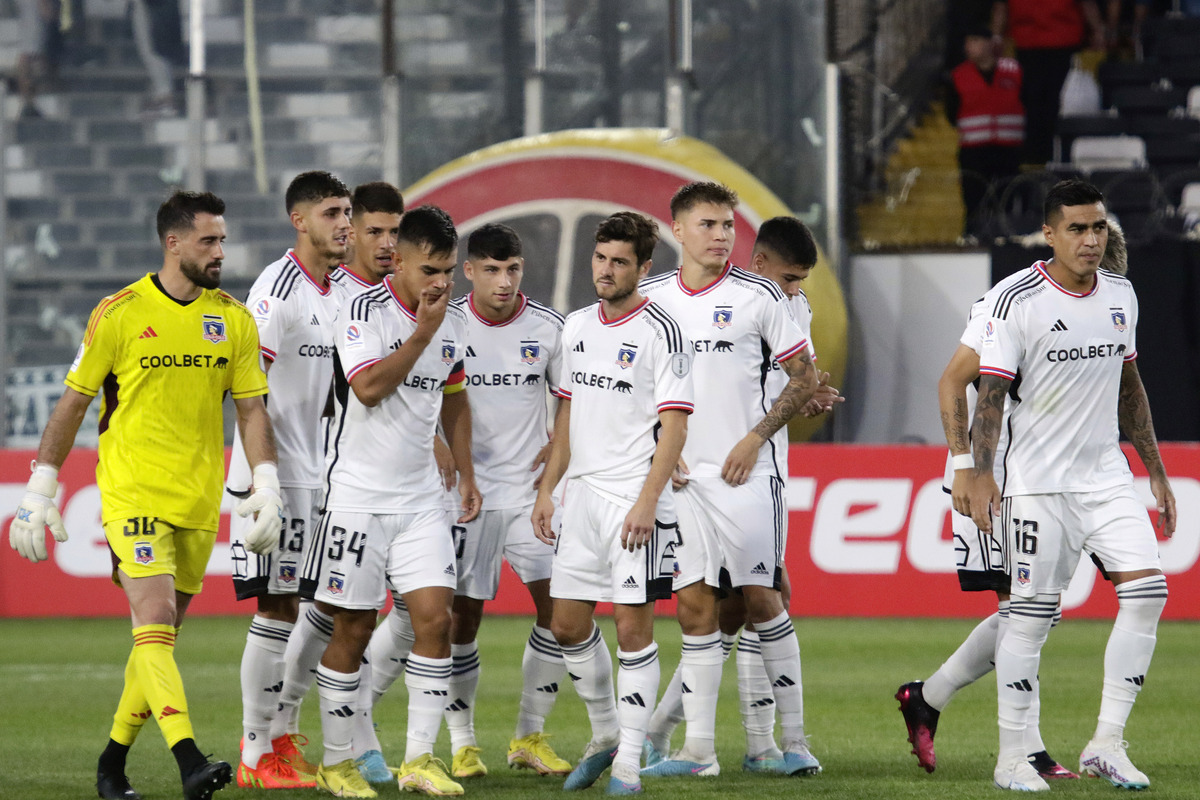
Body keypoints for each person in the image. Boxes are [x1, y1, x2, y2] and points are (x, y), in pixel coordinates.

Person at [8, 190, 282, 800]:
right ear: (173, 243)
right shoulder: (120, 312)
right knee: (154, 621)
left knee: (156, 640)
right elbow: (74, 401)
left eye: (223, 240)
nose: (220, 251)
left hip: (198, 496)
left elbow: (252, 409)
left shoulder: (232, 318)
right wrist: (42, 484)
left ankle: (111, 766)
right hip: (132, 491)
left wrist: (265, 482)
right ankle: (189, 762)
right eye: (209, 240)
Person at [895, 217, 1129, 779]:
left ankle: (929, 697)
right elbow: (957, 380)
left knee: (1033, 613)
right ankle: (1024, 748)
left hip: (1060, 474)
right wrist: (967, 470)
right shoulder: (1008, 303)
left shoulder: (1100, 304)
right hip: (1000, 469)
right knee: (1025, 611)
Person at [966, 179, 1174, 791]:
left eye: (1099, 227)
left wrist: (1155, 469)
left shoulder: (1122, 294)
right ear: (1050, 233)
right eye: (1078, 229)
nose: (1090, 239)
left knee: (1149, 592)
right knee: (1028, 619)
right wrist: (980, 474)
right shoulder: (1015, 300)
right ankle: (1011, 757)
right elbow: (991, 397)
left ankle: (1107, 742)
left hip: (1107, 476)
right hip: (1037, 483)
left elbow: (1129, 386)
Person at [643, 216, 842, 772]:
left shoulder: (779, 304)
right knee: (708, 610)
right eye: (791, 277)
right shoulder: (656, 298)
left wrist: (780, 416)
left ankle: (775, 744)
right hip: (686, 479)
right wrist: (660, 443)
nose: (796, 289)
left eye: (802, 280)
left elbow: (787, 380)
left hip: (752, 472)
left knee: (762, 597)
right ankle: (694, 741)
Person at [301, 204, 481, 798]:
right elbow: (370, 389)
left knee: (435, 619)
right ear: (397, 261)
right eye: (431, 269)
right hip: (358, 499)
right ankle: (337, 761)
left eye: (450, 272)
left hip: (422, 500)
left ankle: (420, 761)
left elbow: (454, 396)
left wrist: (465, 468)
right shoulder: (361, 312)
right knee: (352, 628)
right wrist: (423, 332)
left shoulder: (451, 322)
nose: (442, 284)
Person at [531, 211, 693, 795]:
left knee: (632, 628)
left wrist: (648, 503)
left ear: (643, 269)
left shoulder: (663, 332)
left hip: (635, 499)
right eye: (600, 258)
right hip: (584, 499)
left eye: (620, 261)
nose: (605, 269)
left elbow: (674, 429)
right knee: (567, 624)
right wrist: (550, 488)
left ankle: (629, 759)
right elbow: (568, 414)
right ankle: (605, 733)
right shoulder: (575, 327)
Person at [433, 223, 573, 779]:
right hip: (465, 495)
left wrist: (556, 452)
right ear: (469, 271)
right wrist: (438, 445)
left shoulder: (550, 328)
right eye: (491, 269)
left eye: (512, 268)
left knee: (561, 613)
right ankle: (463, 743)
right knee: (461, 618)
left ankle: (528, 735)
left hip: (529, 496)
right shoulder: (447, 324)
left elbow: (569, 403)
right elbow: (419, 396)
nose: (504, 280)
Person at [227, 171, 351, 790]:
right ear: (299, 221)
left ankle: (277, 736)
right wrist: (263, 483)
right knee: (277, 609)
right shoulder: (275, 292)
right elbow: (249, 395)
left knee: (316, 606)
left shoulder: (335, 292)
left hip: (318, 474)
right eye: (332, 212)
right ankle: (255, 752)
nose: (345, 223)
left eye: (347, 211)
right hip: (272, 478)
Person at [995, 0, 1105, 165]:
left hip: (1029, 42)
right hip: (1061, 40)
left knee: (1032, 102)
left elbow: (1001, 6)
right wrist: (1097, 31)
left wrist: (997, 35)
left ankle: (1034, 155)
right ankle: (1058, 154)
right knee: (1059, 103)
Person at [947, 26, 1025, 238]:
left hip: (1008, 151)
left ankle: (1006, 238)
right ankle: (973, 236)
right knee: (974, 200)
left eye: (975, 40)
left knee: (1006, 200)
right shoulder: (957, 77)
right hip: (974, 151)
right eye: (968, 42)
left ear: (990, 42)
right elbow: (951, 113)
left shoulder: (1014, 71)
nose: (969, 47)